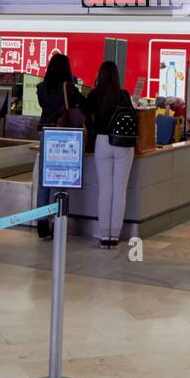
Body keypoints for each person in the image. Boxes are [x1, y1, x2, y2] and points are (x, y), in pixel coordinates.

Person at [34, 53, 86, 240]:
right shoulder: (69, 87)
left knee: (44, 181)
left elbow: (45, 107)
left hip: (46, 133)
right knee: (61, 181)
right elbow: (83, 104)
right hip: (64, 135)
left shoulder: (41, 88)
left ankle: (41, 224)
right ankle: (58, 223)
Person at [86, 60, 136, 248]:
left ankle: (104, 234)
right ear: (116, 76)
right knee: (119, 190)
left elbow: (87, 119)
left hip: (102, 142)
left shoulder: (93, 94)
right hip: (122, 143)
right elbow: (133, 117)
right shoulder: (123, 95)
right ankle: (114, 236)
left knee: (105, 189)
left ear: (100, 74)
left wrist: (95, 131)